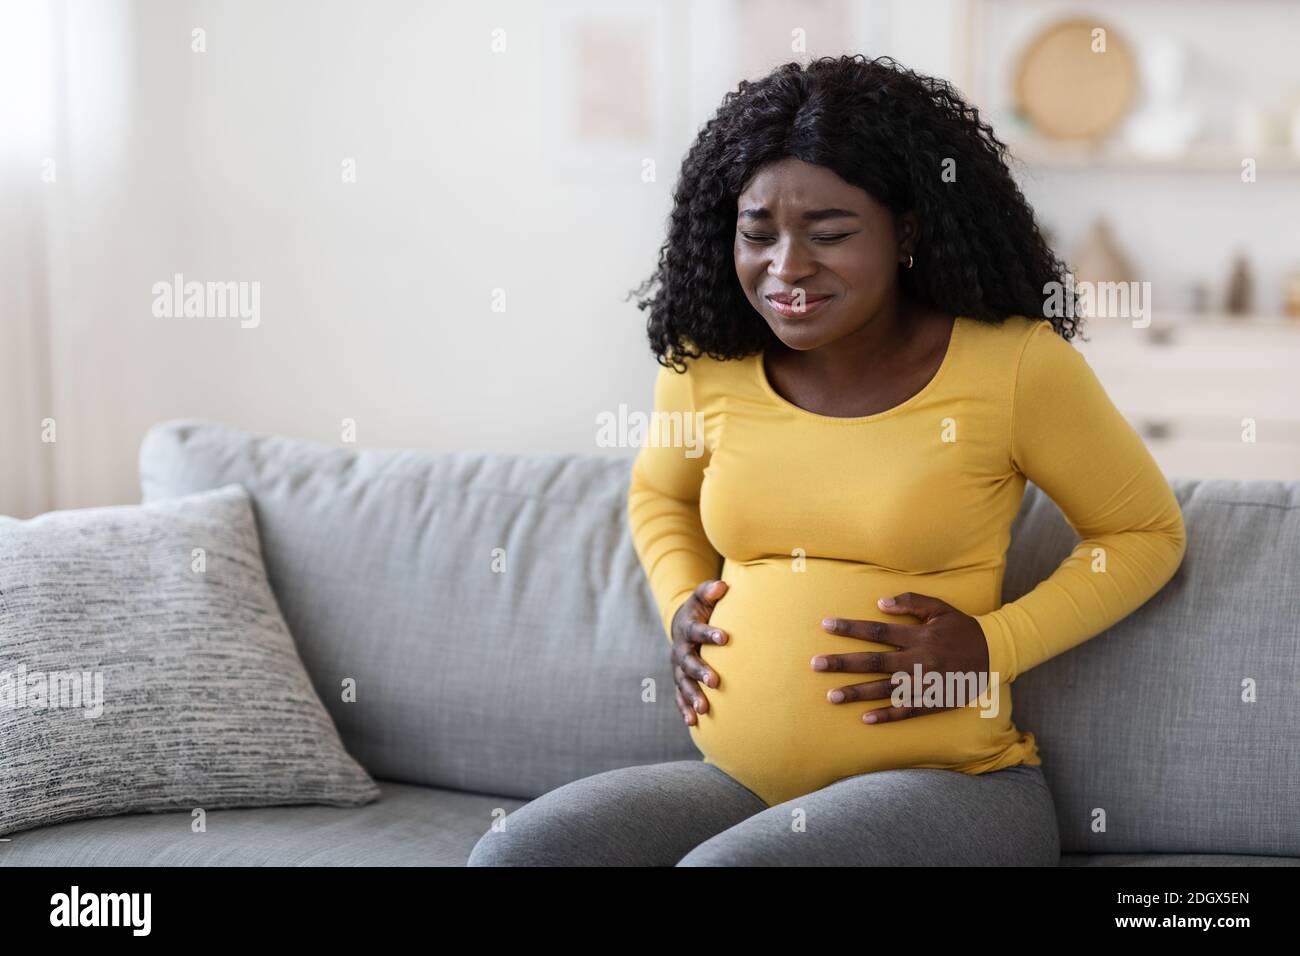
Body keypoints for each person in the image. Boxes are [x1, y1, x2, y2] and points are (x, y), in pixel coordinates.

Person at [467, 54, 1185, 867]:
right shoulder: (707, 364)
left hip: (952, 788)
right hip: (743, 785)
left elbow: (1142, 533)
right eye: (758, 232)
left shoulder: (1014, 367)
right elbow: (659, 495)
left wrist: (993, 643)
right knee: (519, 854)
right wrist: (680, 605)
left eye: (831, 234)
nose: (787, 269)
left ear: (906, 230)